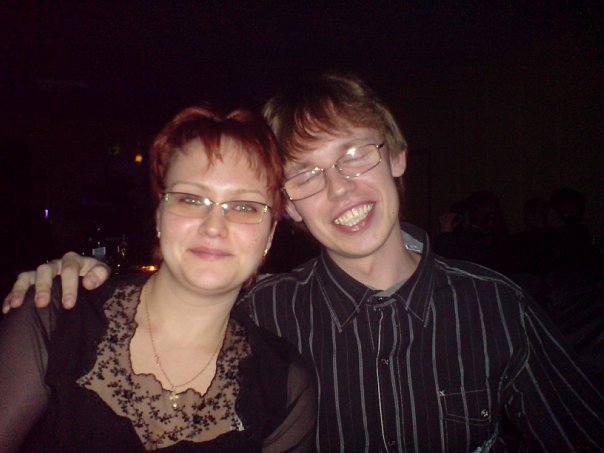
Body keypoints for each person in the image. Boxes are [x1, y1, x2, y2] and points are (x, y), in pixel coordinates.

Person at [4, 73, 604, 452]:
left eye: (356, 155)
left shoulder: (495, 306)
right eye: (306, 173)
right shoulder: (262, 317)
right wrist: (78, 277)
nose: (340, 188)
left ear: (397, 155)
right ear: (286, 207)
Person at [0, 104, 316, 452]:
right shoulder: (55, 318)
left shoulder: (284, 387)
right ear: (159, 216)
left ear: (269, 235)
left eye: (244, 206)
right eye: (191, 199)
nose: (214, 227)